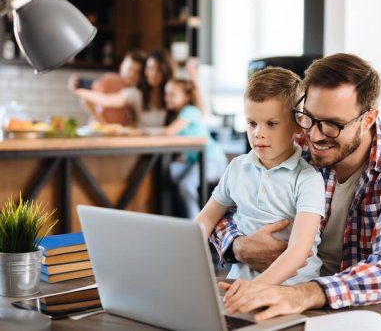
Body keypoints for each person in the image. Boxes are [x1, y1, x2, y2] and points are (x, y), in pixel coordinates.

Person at [211, 53, 381, 321]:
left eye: (332, 125)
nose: (314, 136)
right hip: (277, 301)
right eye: (309, 118)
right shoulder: (294, 144)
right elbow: (225, 209)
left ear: (368, 119)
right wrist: (238, 246)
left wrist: (303, 294)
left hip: (360, 316)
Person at [195, 67, 326, 286]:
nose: (259, 133)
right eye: (252, 123)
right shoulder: (237, 167)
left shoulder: (308, 180)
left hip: (290, 292)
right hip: (238, 287)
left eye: (271, 124)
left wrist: (256, 289)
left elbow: (299, 251)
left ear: (297, 125)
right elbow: (206, 219)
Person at [144, 78, 228, 218]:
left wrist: (145, 131)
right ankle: (172, 215)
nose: (167, 98)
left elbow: (169, 132)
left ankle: (196, 223)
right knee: (169, 172)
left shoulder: (190, 110)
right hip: (196, 161)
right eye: (166, 94)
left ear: (186, 96)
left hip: (213, 160)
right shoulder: (179, 115)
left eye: (172, 95)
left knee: (186, 184)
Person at [68, 51, 145, 126]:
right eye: (130, 69)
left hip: (118, 133)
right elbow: (86, 100)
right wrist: (102, 123)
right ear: (121, 66)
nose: (132, 74)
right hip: (99, 129)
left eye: (137, 72)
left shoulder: (136, 92)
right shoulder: (109, 80)